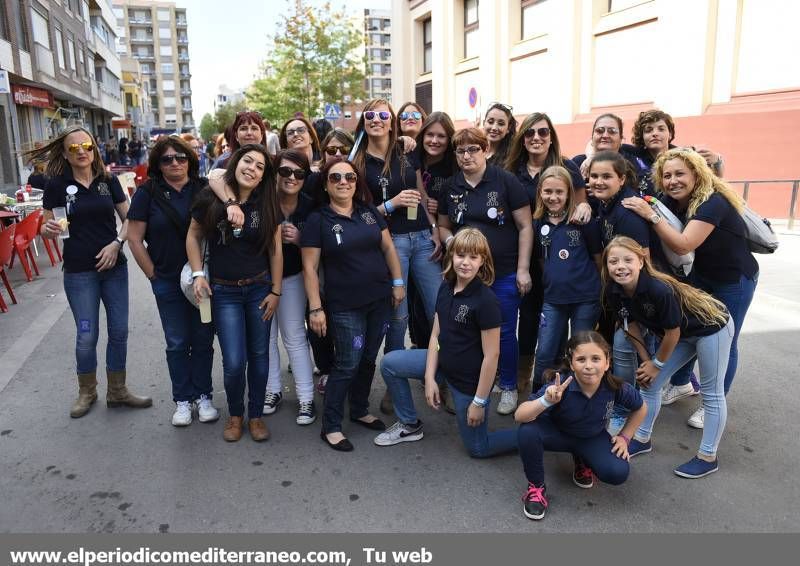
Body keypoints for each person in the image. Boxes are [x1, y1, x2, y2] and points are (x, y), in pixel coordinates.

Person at [621, 148, 758, 426]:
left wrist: (652, 216)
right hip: (703, 277)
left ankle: (714, 401)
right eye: (667, 175)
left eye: (680, 174)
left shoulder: (713, 201)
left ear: (696, 174)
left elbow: (684, 244)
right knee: (689, 330)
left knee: (724, 341)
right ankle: (683, 383)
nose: (673, 181)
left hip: (734, 280)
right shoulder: (676, 200)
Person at [32, 125, 152, 418]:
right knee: (87, 334)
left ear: (94, 149)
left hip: (114, 269)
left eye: (86, 146)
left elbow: (130, 219)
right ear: (64, 153)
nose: (81, 152)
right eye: (74, 148)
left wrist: (116, 244)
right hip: (78, 272)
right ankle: (87, 391)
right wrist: (46, 229)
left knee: (119, 331)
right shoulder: (57, 185)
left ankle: (118, 390)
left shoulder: (107, 181)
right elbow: (50, 228)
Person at [376, 228, 518, 457]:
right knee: (390, 363)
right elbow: (435, 336)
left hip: (468, 384)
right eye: (460, 255)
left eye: (473, 257)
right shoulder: (446, 286)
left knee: (478, 449)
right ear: (451, 255)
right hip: (444, 365)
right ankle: (409, 424)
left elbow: (492, 357)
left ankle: (533, 435)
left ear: (483, 261)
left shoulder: (486, 301)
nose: (465, 263)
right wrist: (430, 378)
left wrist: (479, 402)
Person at [603, 236, 733, 478]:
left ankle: (708, 457)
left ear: (641, 262)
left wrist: (657, 363)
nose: (620, 266)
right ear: (607, 265)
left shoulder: (657, 288)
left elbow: (672, 333)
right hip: (684, 334)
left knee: (711, 392)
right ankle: (641, 438)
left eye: (627, 260)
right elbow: (630, 325)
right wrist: (646, 362)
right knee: (649, 385)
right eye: (613, 261)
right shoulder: (614, 289)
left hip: (711, 327)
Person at [301, 158, 405, 451]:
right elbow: (310, 268)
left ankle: (359, 409)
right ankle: (331, 425)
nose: (343, 182)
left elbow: (388, 248)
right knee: (347, 363)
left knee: (369, 357)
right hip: (344, 305)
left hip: (380, 299)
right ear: (326, 184)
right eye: (336, 177)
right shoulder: (318, 220)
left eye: (349, 177)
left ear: (357, 182)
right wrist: (315, 308)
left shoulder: (369, 212)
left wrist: (397, 283)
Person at [187, 144, 283, 442]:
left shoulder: (267, 203)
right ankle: (236, 414)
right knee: (233, 361)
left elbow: (276, 251)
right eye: (247, 161)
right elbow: (193, 235)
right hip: (224, 292)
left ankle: (254, 416)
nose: (251, 168)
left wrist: (276, 291)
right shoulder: (210, 198)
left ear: (263, 177)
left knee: (260, 355)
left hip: (259, 289)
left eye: (259, 167)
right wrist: (198, 274)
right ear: (235, 163)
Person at [437, 127, 533, 415]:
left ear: (486, 150)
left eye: (473, 149)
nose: (466, 155)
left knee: (503, 330)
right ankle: (484, 383)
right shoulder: (451, 187)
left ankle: (508, 386)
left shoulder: (505, 181)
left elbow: (526, 226)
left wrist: (523, 269)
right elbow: (443, 226)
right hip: (468, 276)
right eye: (461, 150)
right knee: (468, 331)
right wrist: (453, 243)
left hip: (504, 271)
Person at [127, 135, 218, 427]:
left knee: (203, 339)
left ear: (190, 159)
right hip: (166, 280)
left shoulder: (205, 188)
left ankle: (204, 395)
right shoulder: (148, 193)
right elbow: (135, 238)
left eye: (180, 157)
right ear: (158, 164)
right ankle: (182, 399)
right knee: (177, 342)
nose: (175, 163)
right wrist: (152, 275)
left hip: (201, 281)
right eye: (167, 159)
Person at [504, 112, 592, 398]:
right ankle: (523, 380)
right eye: (530, 133)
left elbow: (581, 206)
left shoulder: (565, 166)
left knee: (560, 326)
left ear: (551, 136)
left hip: (565, 252)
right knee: (530, 320)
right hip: (529, 254)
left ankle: (562, 383)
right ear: (522, 138)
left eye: (543, 132)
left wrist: (585, 208)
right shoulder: (513, 169)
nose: (536, 138)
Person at [516, 331, 647, 521]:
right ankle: (536, 487)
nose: (588, 366)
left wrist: (625, 437)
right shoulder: (560, 385)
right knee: (527, 431)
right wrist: (545, 401)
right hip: (557, 435)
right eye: (581, 359)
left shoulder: (614, 387)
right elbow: (520, 415)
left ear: (607, 362)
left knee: (617, 472)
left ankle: (582, 460)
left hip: (589, 438)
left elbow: (641, 407)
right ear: (571, 364)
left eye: (596, 359)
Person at [350, 99, 442, 357]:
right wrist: (391, 204)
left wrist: (434, 228)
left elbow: (421, 193)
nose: (376, 119)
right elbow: (356, 213)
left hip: (423, 237)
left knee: (438, 308)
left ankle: (442, 372)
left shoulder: (406, 151)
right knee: (398, 315)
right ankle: (394, 378)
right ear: (364, 121)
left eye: (382, 114)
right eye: (370, 114)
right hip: (392, 243)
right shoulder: (357, 162)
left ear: (392, 121)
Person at [531, 166, 603, 386]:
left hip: (586, 298)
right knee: (544, 352)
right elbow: (542, 260)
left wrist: (599, 288)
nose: (553, 197)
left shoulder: (581, 219)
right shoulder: (537, 223)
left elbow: (598, 257)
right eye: (548, 192)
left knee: (581, 352)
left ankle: (579, 396)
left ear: (569, 193)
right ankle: (538, 397)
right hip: (553, 300)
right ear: (540, 193)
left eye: (559, 192)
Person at [260, 149, 317, 425]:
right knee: (266, 337)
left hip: (293, 277)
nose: (291, 177)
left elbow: (322, 243)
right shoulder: (262, 200)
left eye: (298, 173)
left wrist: (300, 238)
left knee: (294, 335)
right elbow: (217, 177)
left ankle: (306, 398)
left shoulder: (310, 205)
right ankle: (272, 391)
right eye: (284, 171)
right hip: (261, 279)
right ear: (274, 173)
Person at [629, 109, 725, 195]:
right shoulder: (631, 155)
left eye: (661, 129)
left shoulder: (685, 156)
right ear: (642, 136)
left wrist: (717, 162)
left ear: (670, 134)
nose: (655, 133)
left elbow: (716, 183)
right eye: (648, 130)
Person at [482, 102, 517, 167]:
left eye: (501, 124)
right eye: (490, 122)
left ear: (508, 128)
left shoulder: (513, 158)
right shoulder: (474, 151)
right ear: (484, 123)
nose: (494, 128)